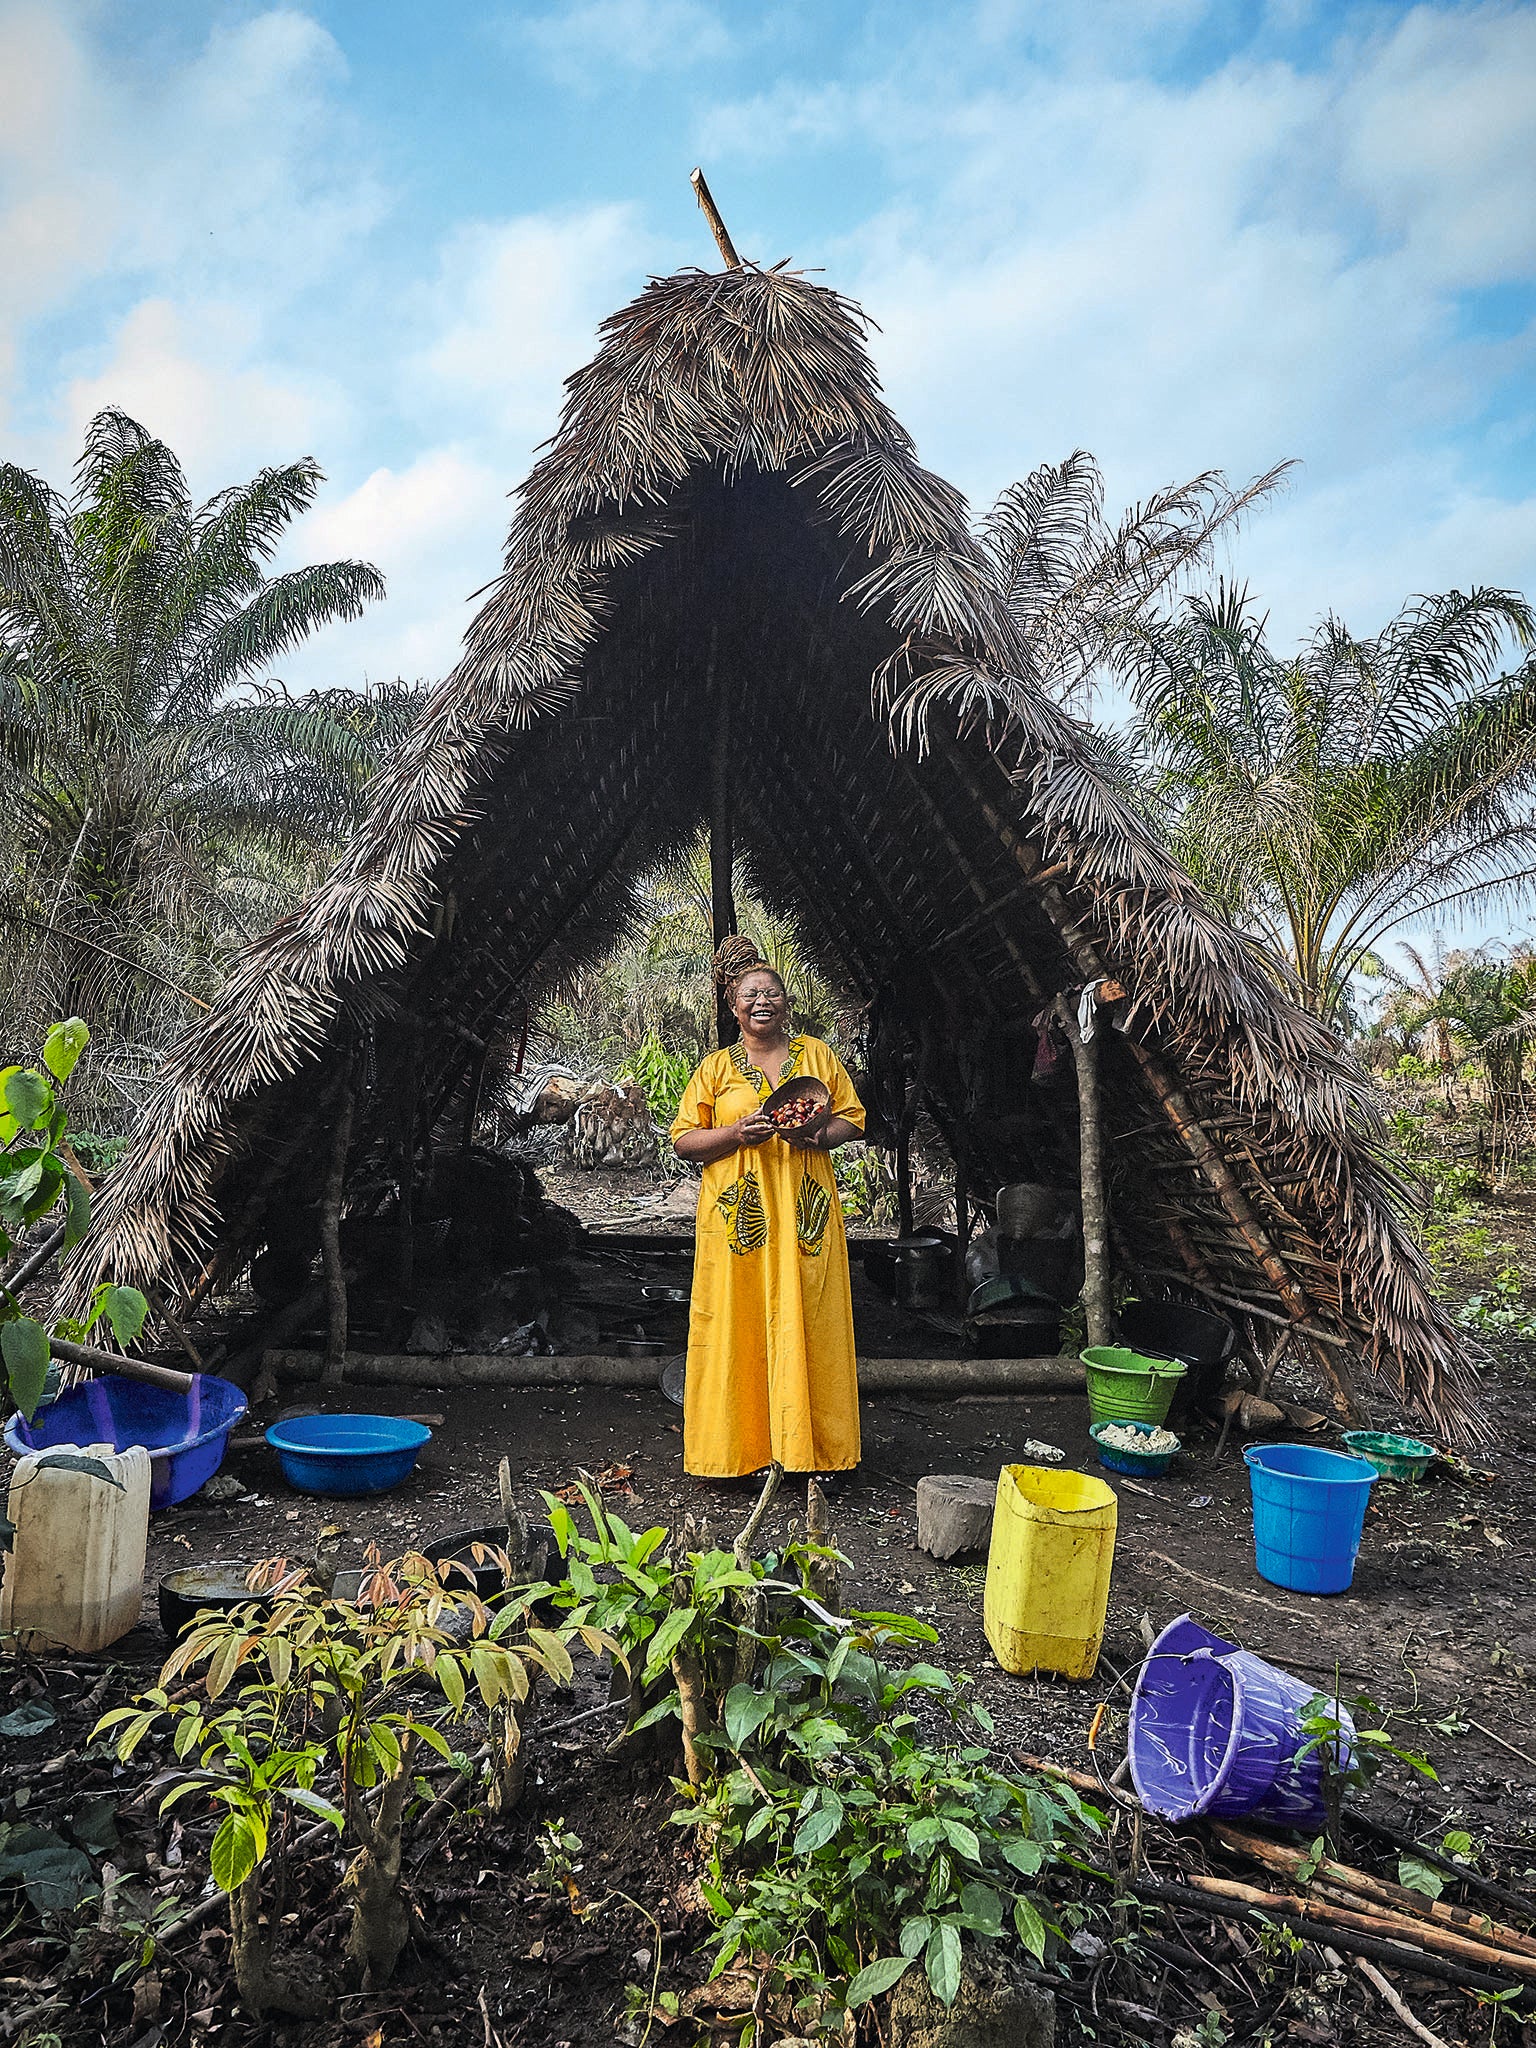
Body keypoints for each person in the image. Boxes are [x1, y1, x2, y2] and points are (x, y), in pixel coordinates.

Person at [669, 937, 865, 1480]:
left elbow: (852, 1117)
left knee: (812, 1319)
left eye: (772, 991)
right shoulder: (715, 1069)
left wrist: (819, 1135)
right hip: (741, 1220)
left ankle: (811, 1452)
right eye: (750, 993)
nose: (763, 1001)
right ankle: (742, 1451)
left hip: (805, 1214)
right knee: (740, 1323)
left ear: (786, 1001)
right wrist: (735, 1133)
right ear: (733, 1007)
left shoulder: (817, 1056)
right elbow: (685, 1140)